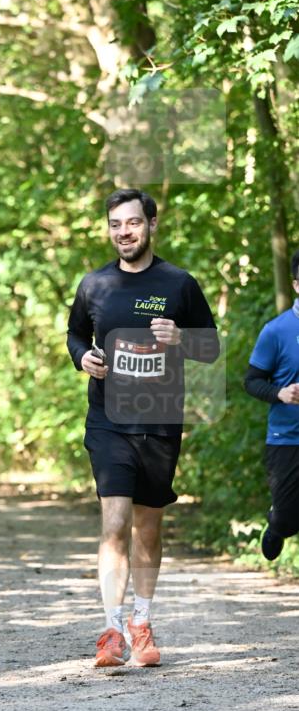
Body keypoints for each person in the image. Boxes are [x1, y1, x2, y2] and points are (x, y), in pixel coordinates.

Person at [67, 188, 219, 670]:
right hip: (108, 420)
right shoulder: (95, 284)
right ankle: (112, 629)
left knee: (148, 528)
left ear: (152, 224)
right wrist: (82, 357)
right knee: (114, 523)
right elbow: (75, 334)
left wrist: (182, 338)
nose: (123, 232)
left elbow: (210, 347)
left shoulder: (179, 283)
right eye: (115, 224)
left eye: (132, 222)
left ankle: (141, 620)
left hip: (159, 421)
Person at [244, 248, 299, 561]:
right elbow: (251, 381)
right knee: (288, 517)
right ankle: (278, 523)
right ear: (296, 285)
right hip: (287, 437)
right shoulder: (276, 331)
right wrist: (280, 393)